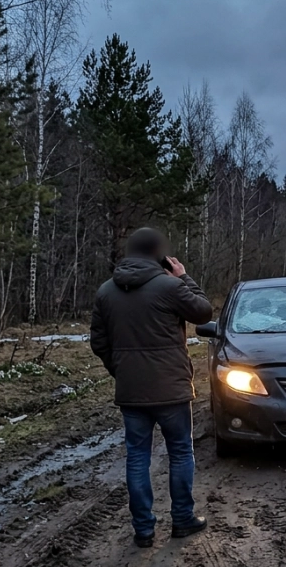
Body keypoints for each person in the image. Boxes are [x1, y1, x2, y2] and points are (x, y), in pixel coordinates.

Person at [90, 228, 214, 547]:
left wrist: (120, 370)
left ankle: (143, 530)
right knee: (180, 453)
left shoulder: (106, 291)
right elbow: (203, 312)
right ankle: (183, 519)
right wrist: (184, 277)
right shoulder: (170, 286)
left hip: (131, 391)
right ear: (159, 253)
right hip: (171, 389)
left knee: (136, 458)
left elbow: (98, 343)